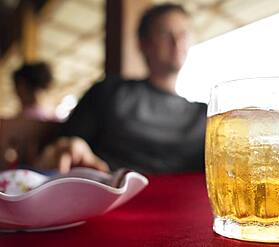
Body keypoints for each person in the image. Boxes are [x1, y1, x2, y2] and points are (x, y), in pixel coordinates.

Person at [37, 3, 207, 174]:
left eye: (183, 33)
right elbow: (61, 147)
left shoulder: (204, 115)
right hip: (114, 195)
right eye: (165, 33)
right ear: (143, 44)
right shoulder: (110, 92)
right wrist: (70, 147)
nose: (176, 41)